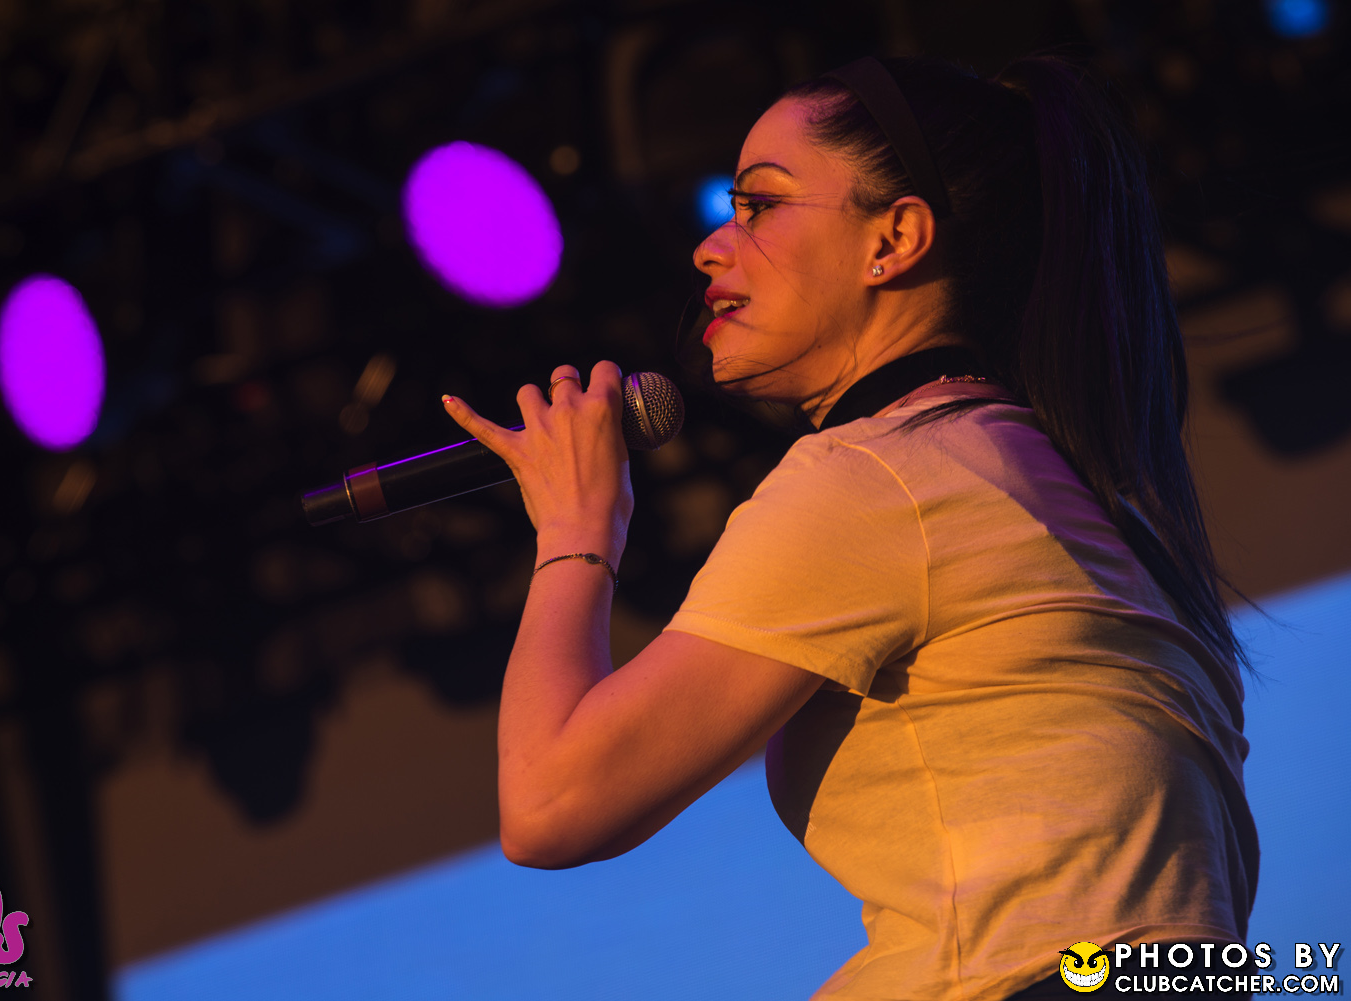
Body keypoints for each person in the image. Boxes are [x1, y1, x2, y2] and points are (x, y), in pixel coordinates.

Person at [441, 53, 1256, 1000]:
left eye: (759, 204)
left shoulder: (880, 478)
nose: (709, 247)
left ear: (895, 238)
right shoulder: (1075, 494)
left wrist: (575, 525)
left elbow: (552, 803)